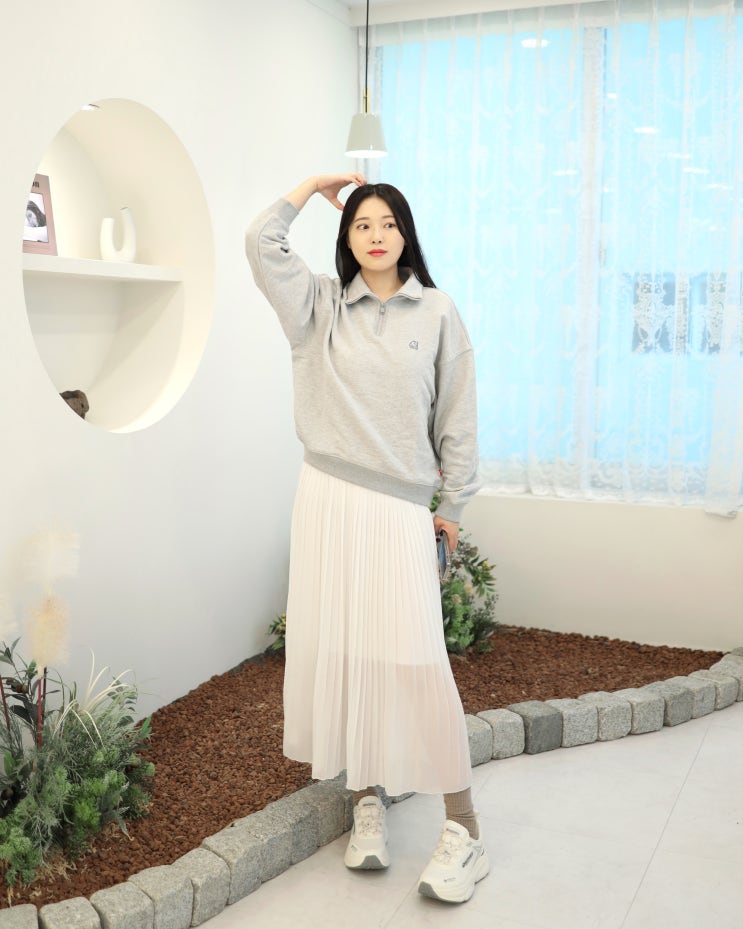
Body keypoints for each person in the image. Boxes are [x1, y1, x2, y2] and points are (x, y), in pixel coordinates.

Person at [245, 174, 488, 904]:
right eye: (361, 224)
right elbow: (260, 242)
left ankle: (465, 827)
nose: (376, 235)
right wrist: (311, 188)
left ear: (405, 233)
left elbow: (457, 416)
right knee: (346, 653)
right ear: (346, 238)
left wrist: (452, 505)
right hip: (326, 498)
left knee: (417, 663)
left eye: (387, 223)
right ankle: (366, 800)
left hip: (400, 508)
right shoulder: (317, 306)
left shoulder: (437, 311)